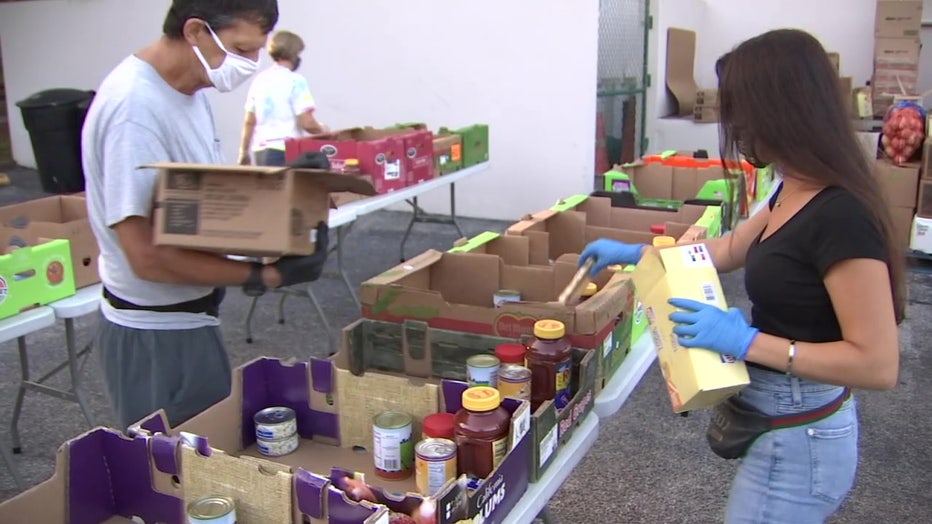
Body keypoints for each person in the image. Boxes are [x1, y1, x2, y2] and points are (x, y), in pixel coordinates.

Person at [581, 29, 903, 523]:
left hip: (804, 437)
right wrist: (640, 253)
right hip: (776, 420)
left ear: (781, 110)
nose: (737, 130)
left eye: (742, 115)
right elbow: (730, 248)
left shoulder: (840, 215)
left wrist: (745, 340)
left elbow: (877, 365)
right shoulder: (792, 187)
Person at [82, 0, 330, 431]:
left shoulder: (186, 91)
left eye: (257, 51)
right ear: (195, 31)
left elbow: (198, 207)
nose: (251, 64)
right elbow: (147, 257)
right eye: (242, 48)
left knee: (207, 457)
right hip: (154, 336)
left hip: (189, 320)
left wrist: (282, 190)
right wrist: (264, 276)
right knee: (177, 475)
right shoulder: (134, 111)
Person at [237, 29, 327, 166]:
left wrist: (243, 151)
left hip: (260, 150)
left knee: (268, 187)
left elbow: (249, 121)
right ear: (293, 54)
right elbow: (307, 123)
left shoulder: (260, 80)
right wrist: (323, 130)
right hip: (285, 149)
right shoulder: (296, 81)